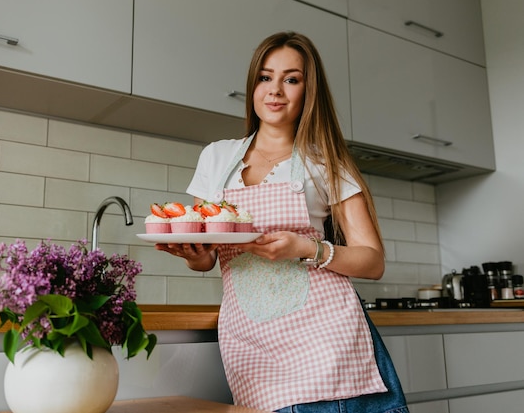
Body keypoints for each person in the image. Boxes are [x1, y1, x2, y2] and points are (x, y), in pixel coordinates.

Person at [155, 31, 409, 413]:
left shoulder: (327, 164)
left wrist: (307, 248)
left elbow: (372, 261)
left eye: (291, 79)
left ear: (309, 91)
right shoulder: (216, 158)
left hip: (327, 343)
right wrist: (192, 253)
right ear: (253, 86)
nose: (275, 90)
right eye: (265, 77)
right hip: (251, 342)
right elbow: (206, 255)